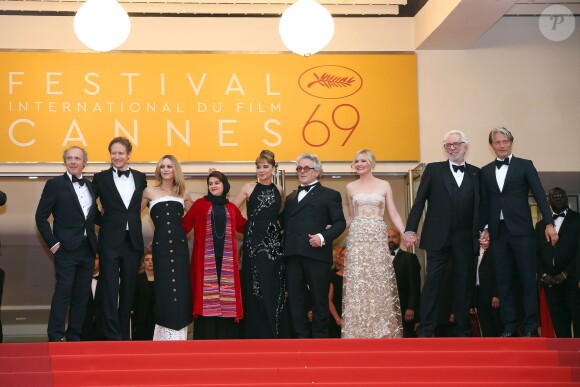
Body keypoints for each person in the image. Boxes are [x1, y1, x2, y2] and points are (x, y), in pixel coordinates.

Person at [480, 127, 557, 337]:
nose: (502, 145)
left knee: (526, 280)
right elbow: (484, 204)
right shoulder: (485, 171)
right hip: (499, 232)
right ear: (492, 145)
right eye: (497, 142)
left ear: (511, 142)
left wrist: (549, 223)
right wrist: (484, 228)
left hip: (522, 231)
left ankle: (531, 326)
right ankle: (509, 326)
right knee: (503, 281)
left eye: (505, 141)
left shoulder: (524, 165)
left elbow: (540, 195)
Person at [405, 130, 483, 337]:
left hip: (466, 237)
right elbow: (419, 201)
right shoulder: (433, 170)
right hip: (437, 236)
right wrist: (411, 228)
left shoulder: (477, 173)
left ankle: (462, 328)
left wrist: (485, 230)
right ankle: (427, 327)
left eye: (456, 144)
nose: (452, 148)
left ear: (466, 147)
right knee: (432, 283)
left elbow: (482, 206)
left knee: (463, 283)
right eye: (448, 145)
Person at [35, 146, 98, 341]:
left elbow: (93, 218)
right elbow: (41, 217)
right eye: (69, 158)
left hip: (87, 249)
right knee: (63, 292)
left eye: (77, 158)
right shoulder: (55, 184)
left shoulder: (90, 186)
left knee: (81, 296)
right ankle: (55, 336)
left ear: (84, 163)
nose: (73, 161)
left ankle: (74, 337)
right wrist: (54, 245)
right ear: (65, 161)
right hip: (66, 250)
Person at [341, 149, 405, 339]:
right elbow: (351, 217)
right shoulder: (350, 187)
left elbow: (393, 213)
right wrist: (330, 231)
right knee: (358, 283)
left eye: (363, 160)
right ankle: (357, 332)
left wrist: (406, 232)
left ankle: (381, 330)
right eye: (356, 161)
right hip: (358, 238)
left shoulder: (384, 185)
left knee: (378, 282)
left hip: (377, 237)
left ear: (371, 163)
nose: (359, 164)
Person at [283, 153, 346, 338]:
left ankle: (320, 338)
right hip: (293, 254)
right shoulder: (290, 197)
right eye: (299, 168)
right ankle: (300, 337)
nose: (302, 172)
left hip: (317, 254)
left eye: (306, 168)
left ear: (317, 172)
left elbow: (340, 223)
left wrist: (322, 237)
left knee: (320, 299)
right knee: (296, 299)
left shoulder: (330, 195)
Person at [92, 137, 148, 340]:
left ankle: (124, 334)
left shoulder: (141, 178)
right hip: (109, 241)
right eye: (113, 153)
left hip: (132, 242)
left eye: (121, 153)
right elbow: (90, 207)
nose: (117, 157)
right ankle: (110, 334)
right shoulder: (101, 178)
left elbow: (147, 203)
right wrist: (105, 221)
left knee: (128, 289)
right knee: (108, 287)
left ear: (128, 154)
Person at [182, 170, 247, 339]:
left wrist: (266, 224)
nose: (213, 186)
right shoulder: (200, 205)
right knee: (205, 297)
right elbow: (184, 225)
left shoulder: (231, 208)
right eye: (210, 184)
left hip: (227, 263)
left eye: (216, 183)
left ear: (224, 185)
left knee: (226, 297)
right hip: (205, 263)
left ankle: (225, 340)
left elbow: (245, 227)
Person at [232, 150, 289, 339]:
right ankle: (257, 332)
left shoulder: (279, 190)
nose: (261, 170)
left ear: (273, 168)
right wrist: (247, 227)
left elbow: (279, 214)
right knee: (255, 284)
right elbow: (231, 210)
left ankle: (275, 330)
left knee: (273, 282)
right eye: (258, 167)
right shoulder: (249, 187)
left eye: (265, 167)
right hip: (253, 241)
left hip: (273, 243)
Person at [141, 155, 193, 340]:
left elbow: (197, 216)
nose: (165, 169)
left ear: (175, 169)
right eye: (162, 166)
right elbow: (130, 216)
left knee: (181, 287)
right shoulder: (148, 192)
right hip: (160, 247)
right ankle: (164, 339)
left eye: (169, 166)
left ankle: (180, 338)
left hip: (180, 247)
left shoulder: (184, 194)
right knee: (163, 289)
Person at [536, 187, 580, 338]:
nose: (559, 198)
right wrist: (543, 274)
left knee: (578, 319)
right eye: (555, 196)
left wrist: (566, 273)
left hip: (572, 281)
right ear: (548, 201)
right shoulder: (540, 226)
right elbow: (536, 254)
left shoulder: (577, 219)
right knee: (560, 325)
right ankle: (565, 358)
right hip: (551, 283)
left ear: (567, 198)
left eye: (562, 195)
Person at [388, 228, 421, 338]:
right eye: (387, 237)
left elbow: (414, 285)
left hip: (404, 308)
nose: (390, 240)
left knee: (405, 339)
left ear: (400, 239)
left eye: (394, 237)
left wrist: (411, 307)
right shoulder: (378, 260)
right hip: (385, 309)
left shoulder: (409, 258)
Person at [473, 247, 502, 337]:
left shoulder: (495, 250)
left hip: (492, 294)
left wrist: (497, 294)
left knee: (498, 326)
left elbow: (500, 272)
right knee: (486, 329)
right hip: (479, 293)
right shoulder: (475, 251)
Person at [132, 251, 156, 340]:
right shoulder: (137, 279)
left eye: (152, 260)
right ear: (143, 263)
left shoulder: (161, 279)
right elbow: (134, 299)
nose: (150, 262)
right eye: (147, 260)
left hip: (157, 319)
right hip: (141, 318)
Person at [81, 254, 104, 341]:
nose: (93, 262)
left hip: (103, 330)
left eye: (96, 259)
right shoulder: (80, 280)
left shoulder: (107, 279)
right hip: (84, 330)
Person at [328, 246, 345, 338]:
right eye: (342, 256)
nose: (343, 258)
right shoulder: (333, 276)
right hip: (337, 318)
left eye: (347, 256)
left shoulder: (358, 279)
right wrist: (337, 318)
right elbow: (329, 300)